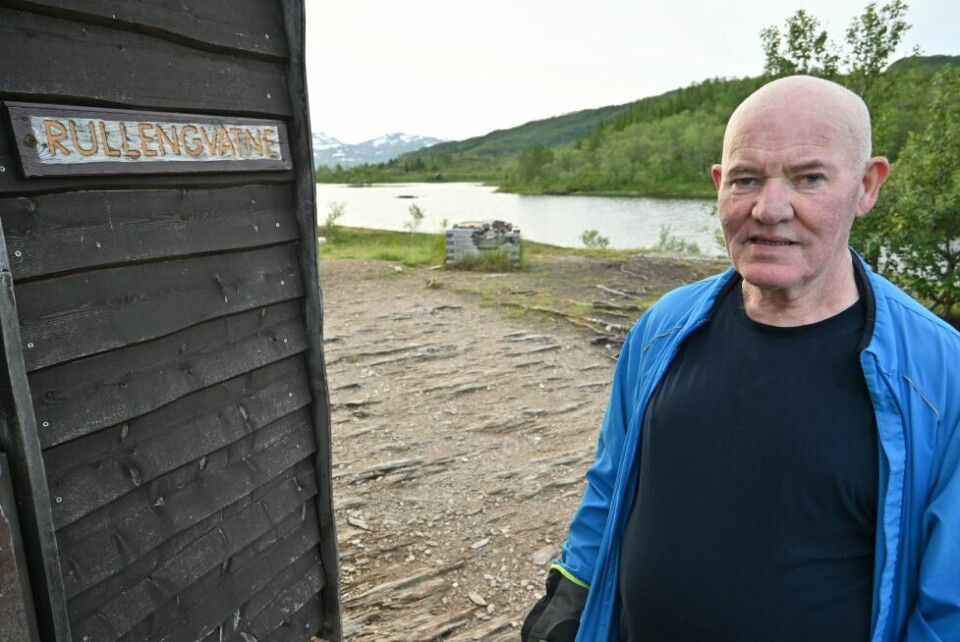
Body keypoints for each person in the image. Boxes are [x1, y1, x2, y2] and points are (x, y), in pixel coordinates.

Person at [521, 75, 960, 642]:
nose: (769, 209)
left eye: (809, 178)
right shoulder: (663, 327)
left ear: (866, 186)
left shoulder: (940, 372)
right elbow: (611, 483)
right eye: (745, 179)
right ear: (718, 186)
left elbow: (949, 601)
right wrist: (571, 591)